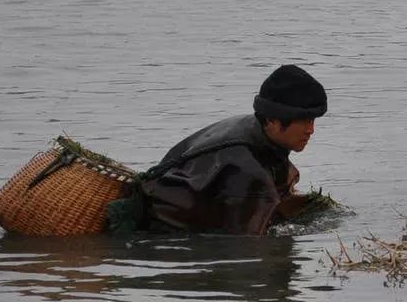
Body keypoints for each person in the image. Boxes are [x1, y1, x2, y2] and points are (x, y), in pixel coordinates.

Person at [135, 64, 328, 235]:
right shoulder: (248, 170)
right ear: (272, 120)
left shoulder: (252, 127)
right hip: (161, 233)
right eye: (304, 122)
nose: (311, 130)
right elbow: (248, 249)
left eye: (312, 120)